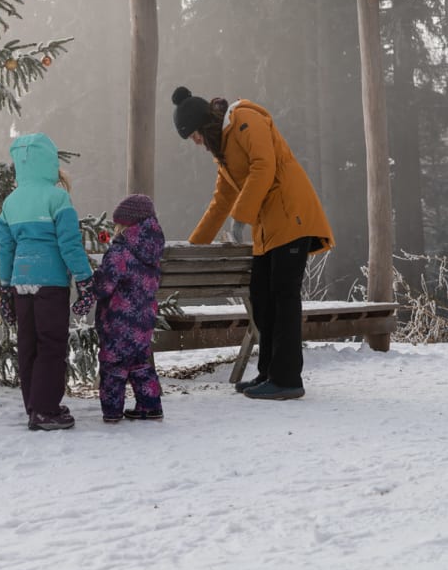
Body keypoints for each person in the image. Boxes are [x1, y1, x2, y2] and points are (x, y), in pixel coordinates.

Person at [171, 86, 334, 401]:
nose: (196, 142)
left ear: (203, 125)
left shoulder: (245, 119)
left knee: (284, 296)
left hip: (291, 216)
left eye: (194, 135)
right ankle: (269, 373)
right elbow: (221, 200)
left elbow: (264, 165)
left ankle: (287, 379)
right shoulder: (225, 154)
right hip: (267, 230)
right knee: (261, 296)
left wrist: (241, 217)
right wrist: (194, 247)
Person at [0, 132, 94, 431]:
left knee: (28, 345)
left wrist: (4, 287)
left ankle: (35, 404)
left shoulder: (10, 203)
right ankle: (46, 409)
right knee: (51, 345)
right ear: (49, 163)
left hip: (20, 283)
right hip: (50, 282)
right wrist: (85, 279)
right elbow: (69, 245)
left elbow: (6, 249)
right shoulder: (57, 198)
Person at [73, 193, 165, 423]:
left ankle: (112, 411)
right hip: (144, 319)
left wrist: (89, 288)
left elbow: (105, 285)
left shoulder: (119, 252)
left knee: (113, 363)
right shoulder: (152, 251)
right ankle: (150, 406)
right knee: (140, 362)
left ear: (125, 224)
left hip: (117, 321)